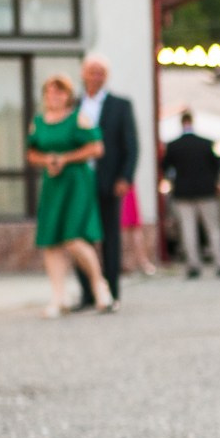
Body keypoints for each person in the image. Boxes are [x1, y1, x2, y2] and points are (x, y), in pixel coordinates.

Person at [26, 73, 114, 317]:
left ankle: (100, 286)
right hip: (53, 184)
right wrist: (49, 160)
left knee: (74, 238)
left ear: (67, 96)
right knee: (51, 241)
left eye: (59, 92)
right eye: (49, 92)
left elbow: (96, 148)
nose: (53, 97)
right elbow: (31, 153)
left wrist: (65, 158)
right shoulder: (39, 122)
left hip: (76, 183)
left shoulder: (78, 119)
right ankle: (59, 296)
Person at [73, 53, 137, 310]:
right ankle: (88, 292)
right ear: (83, 74)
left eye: (100, 71)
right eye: (91, 71)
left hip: (109, 182)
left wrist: (125, 177)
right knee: (79, 237)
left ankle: (112, 291)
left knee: (110, 237)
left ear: (106, 76)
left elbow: (131, 146)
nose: (95, 76)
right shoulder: (74, 105)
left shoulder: (120, 105)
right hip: (79, 183)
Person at [162, 111, 220, 278]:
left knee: (188, 229)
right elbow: (217, 166)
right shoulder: (205, 143)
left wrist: (173, 181)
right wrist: (213, 181)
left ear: (181, 123)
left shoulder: (174, 145)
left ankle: (193, 266)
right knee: (213, 228)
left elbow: (165, 167)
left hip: (183, 192)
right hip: (206, 191)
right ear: (192, 122)